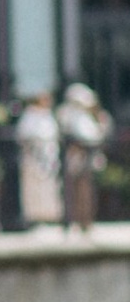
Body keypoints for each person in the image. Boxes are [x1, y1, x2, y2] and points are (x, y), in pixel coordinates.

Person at [61, 81, 112, 229]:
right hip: (80, 159)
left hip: (85, 159)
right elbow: (90, 137)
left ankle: (84, 221)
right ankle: (81, 221)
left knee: (84, 190)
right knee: (80, 190)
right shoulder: (74, 116)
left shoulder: (85, 116)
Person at [16, 88, 64, 230]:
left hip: (49, 160)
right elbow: (25, 136)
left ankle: (49, 220)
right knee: (34, 192)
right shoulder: (30, 116)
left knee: (49, 191)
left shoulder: (49, 116)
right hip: (34, 160)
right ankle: (34, 221)